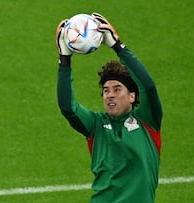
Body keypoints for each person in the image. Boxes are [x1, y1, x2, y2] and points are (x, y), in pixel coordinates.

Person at [55, 13, 163, 203]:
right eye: (105, 90)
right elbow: (68, 108)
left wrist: (118, 46)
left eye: (117, 89)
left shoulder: (147, 121)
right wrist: (64, 59)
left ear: (132, 96)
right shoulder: (95, 126)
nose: (110, 94)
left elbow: (149, 88)